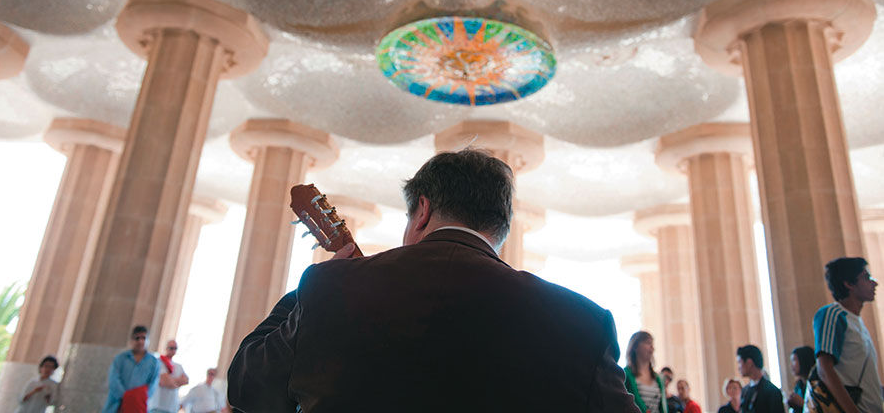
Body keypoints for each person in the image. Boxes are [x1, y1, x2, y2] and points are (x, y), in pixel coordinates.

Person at [228, 149, 640, 412]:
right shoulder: (582, 321)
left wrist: (312, 287)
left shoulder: (329, 288)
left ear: (421, 211)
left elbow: (247, 386)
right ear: (500, 228)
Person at [812, 257, 884, 413]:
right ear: (849, 283)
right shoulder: (833, 314)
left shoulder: (858, 322)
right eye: (866, 277)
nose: (874, 283)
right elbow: (824, 368)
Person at [103, 325, 160, 413]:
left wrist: (137, 398)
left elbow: (153, 384)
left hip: (138, 406)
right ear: (132, 340)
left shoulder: (153, 362)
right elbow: (113, 380)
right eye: (137, 338)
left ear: (148, 340)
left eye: (143, 338)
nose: (140, 341)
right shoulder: (120, 359)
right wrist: (127, 397)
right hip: (117, 405)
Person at [624, 331, 668, 413]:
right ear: (635, 347)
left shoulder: (658, 378)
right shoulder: (625, 374)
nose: (652, 347)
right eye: (648, 343)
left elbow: (663, 407)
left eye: (652, 344)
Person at [737, 344, 784, 413]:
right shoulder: (745, 391)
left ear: (749, 362)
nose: (739, 367)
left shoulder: (771, 391)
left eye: (739, 362)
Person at [149, 339, 188, 413]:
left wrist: (171, 380)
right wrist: (178, 381)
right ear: (166, 348)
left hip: (172, 407)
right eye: (171, 348)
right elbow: (164, 381)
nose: (173, 350)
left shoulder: (178, 366)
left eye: (175, 348)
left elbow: (186, 380)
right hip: (158, 405)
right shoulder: (159, 362)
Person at [787, 345, 813, 413]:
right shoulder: (799, 385)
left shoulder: (816, 384)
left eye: (794, 360)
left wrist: (802, 403)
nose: (791, 365)